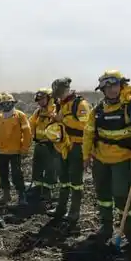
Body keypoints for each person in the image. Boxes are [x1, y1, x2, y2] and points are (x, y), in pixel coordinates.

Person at [82, 71, 131, 251]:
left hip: (123, 160)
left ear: (121, 85)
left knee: (122, 197)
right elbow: (88, 134)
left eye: (114, 85)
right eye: (107, 87)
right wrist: (86, 155)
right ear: (102, 89)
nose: (111, 90)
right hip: (100, 160)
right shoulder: (97, 111)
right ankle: (106, 229)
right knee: (103, 196)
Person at [49, 77, 92, 230]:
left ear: (65, 90)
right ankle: (61, 209)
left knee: (76, 182)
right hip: (64, 147)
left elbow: (86, 126)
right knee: (64, 180)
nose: (58, 96)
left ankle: (74, 212)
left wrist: (65, 120)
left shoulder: (80, 104)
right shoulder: (62, 104)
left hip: (77, 147)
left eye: (59, 93)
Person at [0, 93, 32, 205]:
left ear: (13, 103)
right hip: (1, 152)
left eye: (9, 103)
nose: (7, 105)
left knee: (17, 174)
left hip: (15, 151)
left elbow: (27, 133)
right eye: (4, 103)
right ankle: (6, 195)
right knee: (3, 174)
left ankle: (21, 195)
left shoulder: (20, 116)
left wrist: (25, 149)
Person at [28, 88, 59, 203]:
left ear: (49, 98)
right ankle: (37, 189)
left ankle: (47, 193)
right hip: (39, 144)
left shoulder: (55, 111)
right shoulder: (38, 112)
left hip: (51, 146)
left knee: (50, 170)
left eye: (42, 99)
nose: (40, 102)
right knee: (37, 168)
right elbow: (30, 124)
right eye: (38, 100)